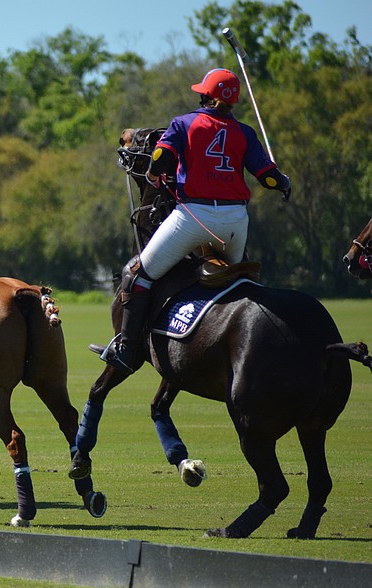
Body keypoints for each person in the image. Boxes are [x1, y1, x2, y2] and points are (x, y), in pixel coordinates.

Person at [104, 68, 291, 374]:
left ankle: (126, 349)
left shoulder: (184, 123)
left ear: (205, 95)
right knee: (240, 284)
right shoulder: (245, 133)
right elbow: (268, 178)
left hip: (193, 218)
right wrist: (283, 182)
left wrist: (152, 173)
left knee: (137, 274)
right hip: (234, 223)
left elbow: (162, 157)